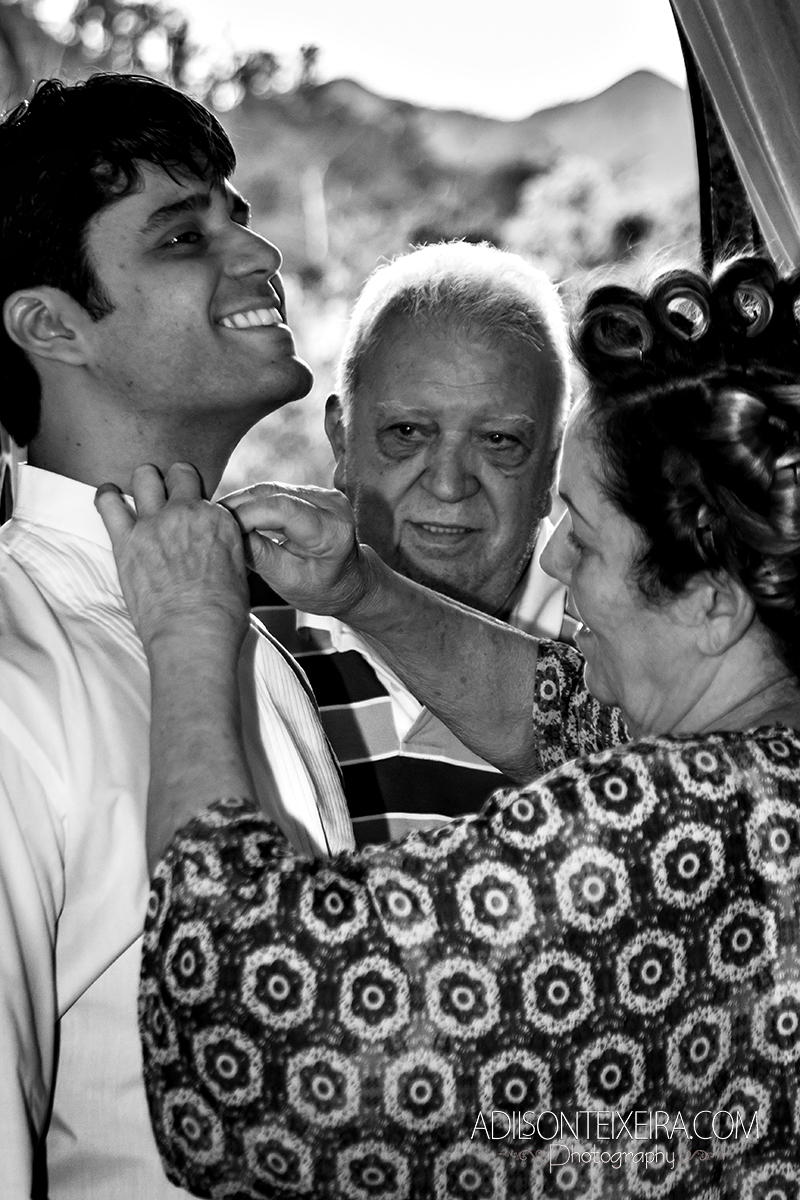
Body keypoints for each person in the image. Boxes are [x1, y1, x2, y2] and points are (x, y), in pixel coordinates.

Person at [100, 254, 800, 1198]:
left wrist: (186, 626)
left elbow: (255, 1049)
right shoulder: (757, 772)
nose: (553, 552)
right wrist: (362, 589)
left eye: (585, 540)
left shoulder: (662, 832)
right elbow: (561, 707)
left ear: (714, 603)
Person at [0, 74, 353, 1199]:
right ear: (52, 324)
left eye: (237, 217)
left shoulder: (238, 618)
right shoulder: (18, 675)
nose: (258, 257)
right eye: (182, 234)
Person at [251, 241, 571, 843]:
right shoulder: (237, 633)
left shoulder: (639, 646)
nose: (450, 484)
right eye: (407, 433)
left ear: (555, 463)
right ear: (341, 441)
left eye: (500, 441)